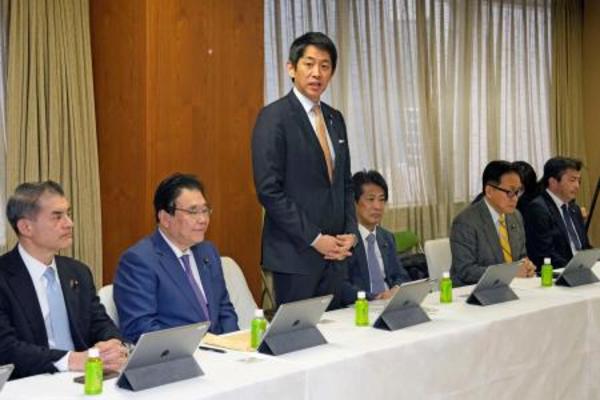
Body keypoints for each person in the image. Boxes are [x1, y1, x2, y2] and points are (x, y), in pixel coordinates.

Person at [252, 32, 356, 308]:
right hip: (295, 255)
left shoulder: (335, 118)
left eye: (325, 66)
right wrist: (315, 238)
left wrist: (350, 232)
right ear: (291, 68)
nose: (316, 73)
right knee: (300, 333)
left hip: (335, 255)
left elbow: (345, 184)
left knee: (339, 330)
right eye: (309, 64)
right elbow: (269, 190)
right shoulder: (273, 117)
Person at [0, 181, 127, 379]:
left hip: (84, 379)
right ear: (26, 227)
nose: (69, 223)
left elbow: (100, 322)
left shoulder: (77, 271)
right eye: (57, 216)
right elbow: (6, 348)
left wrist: (112, 343)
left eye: (68, 214)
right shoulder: (4, 277)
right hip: (30, 382)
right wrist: (72, 360)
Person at [114, 173, 238, 343]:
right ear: (165, 218)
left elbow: (224, 309)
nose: (203, 219)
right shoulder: (139, 261)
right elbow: (141, 328)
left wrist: (231, 347)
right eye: (193, 212)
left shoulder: (208, 252)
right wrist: (199, 347)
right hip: (175, 354)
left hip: (221, 352)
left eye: (205, 210)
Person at [450, 161, 537, 286]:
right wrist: (509, 273)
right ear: (489, 191)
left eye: (518, 191)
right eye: (510, 192)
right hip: (473, 291)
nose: (515, 198)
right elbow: (466, 271)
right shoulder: (465, 222)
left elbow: (521, 256)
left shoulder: (515, 216)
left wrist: (526, 266)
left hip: (512, 287)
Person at [340, 170, 411, 305]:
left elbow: (401, 275)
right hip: (361, 307)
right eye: (370, 199)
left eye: (382, 200)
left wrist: (396, 288)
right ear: (354, 202)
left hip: (390, 305)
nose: (378, 207)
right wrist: (375, 297)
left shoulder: (387, 237)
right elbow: (342, 287)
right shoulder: (345, 239)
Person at [522, 157, 591, 269]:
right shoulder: (538, 209)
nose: (577, 186)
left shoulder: (574, 209)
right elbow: (544, 254)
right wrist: (574, 268)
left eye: (579, 181)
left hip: (580, 269)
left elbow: (584, 247)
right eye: (572, 180)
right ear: (553, 182)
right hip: (557, 272)